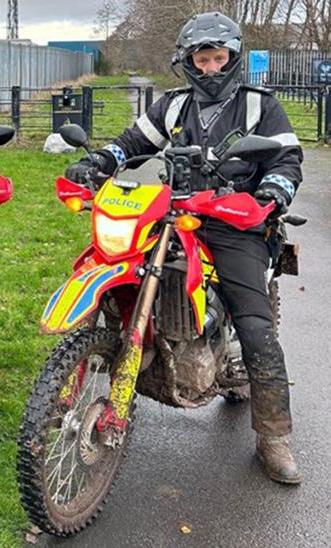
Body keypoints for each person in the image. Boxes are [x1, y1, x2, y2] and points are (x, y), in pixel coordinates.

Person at [64, 12, 303, 484]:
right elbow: (133, 143)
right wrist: (96, 162)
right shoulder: (173, 106)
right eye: (202, 59)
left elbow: (286, 158)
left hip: (235, 220)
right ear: (188, 61)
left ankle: (274, 437)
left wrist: (271, 192)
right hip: (173, 212)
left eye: (218, 59)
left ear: (232, 59)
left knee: (255, 326)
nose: (211, 68)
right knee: (122, 268)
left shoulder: (260, 106)